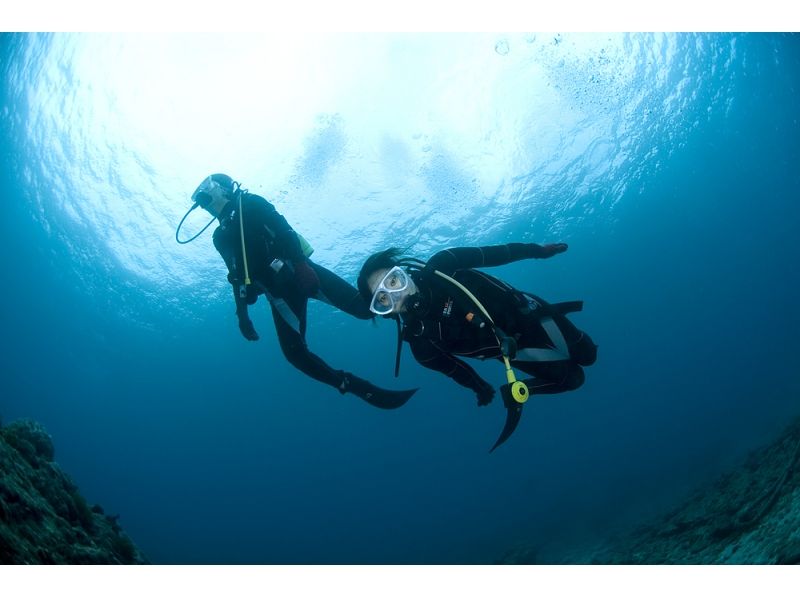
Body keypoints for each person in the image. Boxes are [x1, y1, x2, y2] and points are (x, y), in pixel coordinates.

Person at [184, 173, 415, 409]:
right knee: (294, 354)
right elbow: (235, 275)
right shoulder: (219, 236)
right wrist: (241, 314)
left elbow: (284, 231)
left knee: (364, 310)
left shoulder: (251, 203)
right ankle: (350, 384)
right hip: (278, 294)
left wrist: (303, 265)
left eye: (206, 190)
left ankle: (412, 300)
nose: (203, 200)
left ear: (223, 189)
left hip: (301, 272)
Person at [356, 242, 597, 447]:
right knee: (574, 379)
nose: (396, 294)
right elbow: (457, 371)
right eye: (384, 299)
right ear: (385, 312)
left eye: (394, 281)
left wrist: (538, 251)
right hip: (515, 351)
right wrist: (480, 388)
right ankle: (519, 391)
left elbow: (497, 254)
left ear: (404, 272)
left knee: (588, 354)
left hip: (534, 314)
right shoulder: (422, 347)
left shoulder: (444, 264)